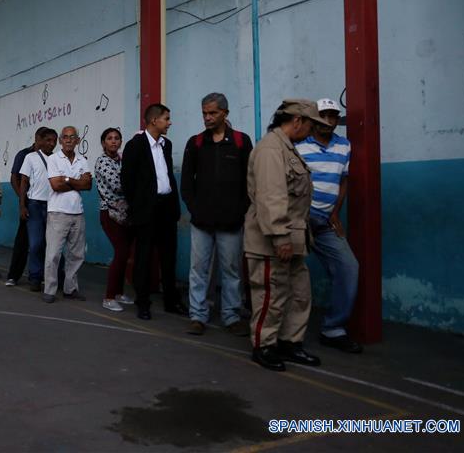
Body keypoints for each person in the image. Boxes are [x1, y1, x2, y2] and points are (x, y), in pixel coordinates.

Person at [244, 99, 327, 372]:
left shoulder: (287, 148)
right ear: (297, 120)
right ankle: (264, 346)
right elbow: (271, 197)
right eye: (312, 124)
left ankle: (289, 343)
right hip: (273, 240)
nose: (313, 130)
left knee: (299, 294)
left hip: (293, 239)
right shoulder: (271, 149)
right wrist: (280, 237)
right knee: (272, 295)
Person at [181, 93, 253, 337]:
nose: (207, 117)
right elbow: (187, 183)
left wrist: (240, 210)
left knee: (232, 271)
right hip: (201, 221)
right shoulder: (196, 143)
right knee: (198, 270)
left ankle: (231, 316)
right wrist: (194, 207)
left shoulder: (242, 142)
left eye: (212, 113)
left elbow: (249, 181)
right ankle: (198, 315)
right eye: (204, 113)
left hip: (231, 222)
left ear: (225, 113)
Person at [296, 98, 363, 354]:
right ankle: (287, 334)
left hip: (325, 223)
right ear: (313, 119)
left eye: (333, 116)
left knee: (349, 267)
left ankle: (333, 328)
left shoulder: (344, 146)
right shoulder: (299, 147)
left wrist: (336, 212)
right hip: (301, 221)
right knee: (291, 274)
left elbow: (343, 181)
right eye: (323, 115)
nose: (328, 120)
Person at [121, 103, 187, 320]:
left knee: (169, 257)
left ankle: (171, 301)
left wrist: (174, 206)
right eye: (166, 118)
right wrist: (138, 206)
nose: (170, 122)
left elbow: (166, 174)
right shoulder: (135, 145)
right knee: (144, 257)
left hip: (166, 208)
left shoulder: (166, 145)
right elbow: (127, 180)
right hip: (146, 210)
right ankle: (143, 303)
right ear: (153, 121)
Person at [43, 126, 91, 303]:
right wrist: (77, 181)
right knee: (53, 253)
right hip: (57, 212)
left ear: (78, 141)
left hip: (78, 212)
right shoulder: (53, 159)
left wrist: (67, 180)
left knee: (76, 254)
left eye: (72, 137)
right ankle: (50, 290)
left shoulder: (82, 160)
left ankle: (70, 289)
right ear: (61, 141)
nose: (69, 140)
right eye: (65, 137)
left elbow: (88, 185)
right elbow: (56, 185)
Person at [94, 128, 135, 312]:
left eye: (117, 138)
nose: (113, 141)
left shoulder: (120, 160)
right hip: (110, 213)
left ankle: (118, 293)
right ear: (103, 143)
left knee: (125, 253)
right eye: (109, 138)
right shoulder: (102, 162)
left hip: (124, 213)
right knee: (121, 252)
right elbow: (118, 185)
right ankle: (109, 297)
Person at [18, 128, 58, 291]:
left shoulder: (57, 159)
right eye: (48, 140)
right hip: (34, 205)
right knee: (35, 243)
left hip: (54, 205)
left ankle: (52, 277)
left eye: (54, 140)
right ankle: (35, 276)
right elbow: (23, 182)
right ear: (40, 141)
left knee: (53, 245)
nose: (51, 143)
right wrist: (22, 205)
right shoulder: (30, 157)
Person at [5, 130, 40, 286]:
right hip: (29, 204)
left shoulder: (52, 156)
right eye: (45, 139)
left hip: (46, 206)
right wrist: (23, 201)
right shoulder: (24, 155)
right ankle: (13, 276)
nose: (49, 143)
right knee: (23, 241)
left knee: (45, 243)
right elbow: (15, 178)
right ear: (37, 139)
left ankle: (44, 276)